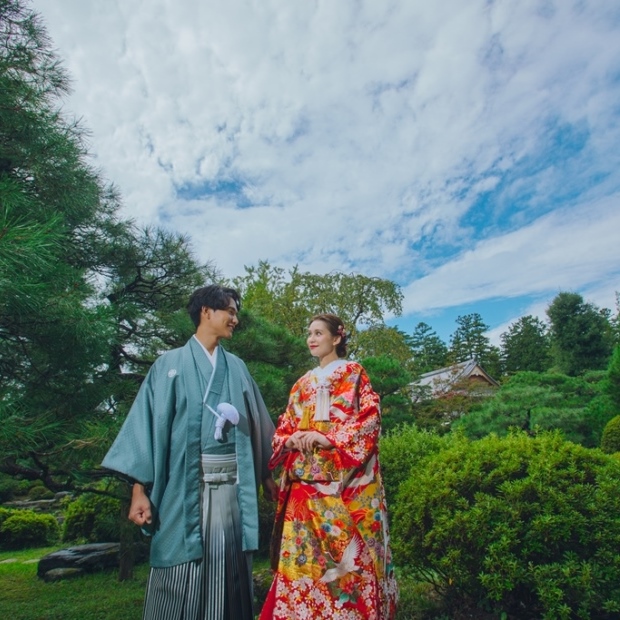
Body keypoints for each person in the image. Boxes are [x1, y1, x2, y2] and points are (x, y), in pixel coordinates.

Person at [102, 284, 277, 620]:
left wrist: (266, 476)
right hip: (183, 490)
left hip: (231, 492)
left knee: (231, 569)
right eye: (230, 311)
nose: (235, 319)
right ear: (205, 312)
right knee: (179, 565)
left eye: (235, 313)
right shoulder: (168, 365)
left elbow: (257, 425)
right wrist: (139, 491)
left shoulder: (237, 367)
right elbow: (146, 428)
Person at [260, 313, 398, 619]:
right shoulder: (301, 384)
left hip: (340, 487)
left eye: (318, 333)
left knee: (347, 560)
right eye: (309, 333)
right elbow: (283, 429)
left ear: (337, 338)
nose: (311, 338)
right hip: (304, 491)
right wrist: (294, 438)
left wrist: (327, 439)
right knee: (302, 560)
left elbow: (369, 421)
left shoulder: (353, 374)